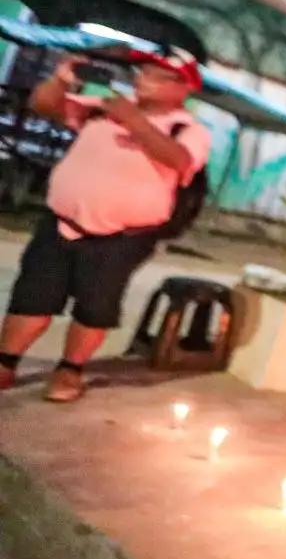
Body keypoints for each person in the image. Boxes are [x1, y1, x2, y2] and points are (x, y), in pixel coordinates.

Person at [0, 48, 211, 402]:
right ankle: (5, 363)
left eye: (156, 76)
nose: (142, 79)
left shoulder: (187, 129)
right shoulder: (103, 107)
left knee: (95, 306)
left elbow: (179, 160)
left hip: (123, 237)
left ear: (184, 87)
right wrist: (62, 77)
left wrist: (135, 123)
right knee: (32, 296)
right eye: (142, 72)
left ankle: (70, 370)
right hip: (61, 223)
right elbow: (45, 105)